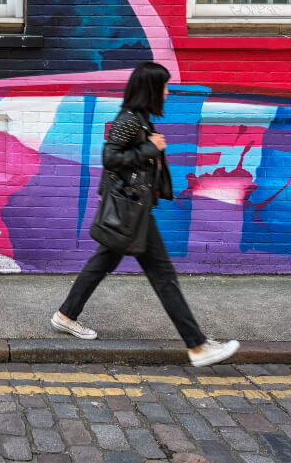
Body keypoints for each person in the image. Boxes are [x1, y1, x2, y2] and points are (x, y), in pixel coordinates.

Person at [50, 61, 241, 367]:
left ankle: (66, 315)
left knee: (102, 263)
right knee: (164, 276)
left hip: (134, 211)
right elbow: (110, 158)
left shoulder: (140, 119)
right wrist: (150, 149)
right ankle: (197, 346)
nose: (167, 92)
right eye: (163, 86)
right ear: (150, 89)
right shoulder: (129, 120)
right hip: (132, 213)